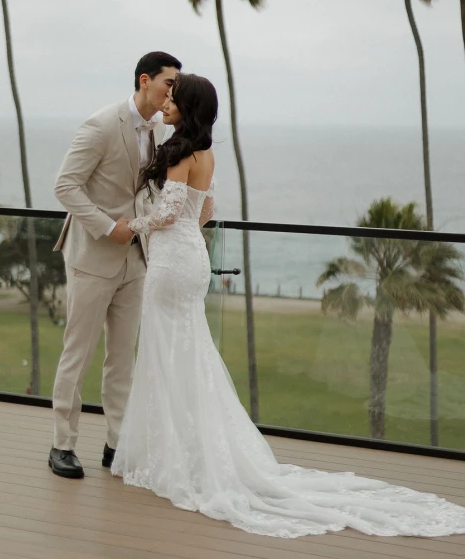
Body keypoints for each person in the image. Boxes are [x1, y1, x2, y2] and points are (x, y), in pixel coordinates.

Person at [112, 73, 465, 539]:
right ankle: (189, 451)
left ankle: (172, 456)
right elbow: (205, 212)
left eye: (174, 99)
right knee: (188, 354)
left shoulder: (179, 151)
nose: (167, 104)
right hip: (191, 258)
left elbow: (168, 214)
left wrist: (130, 225)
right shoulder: (205, 153)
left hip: (172, 264)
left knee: (165, 353)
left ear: (189, 106)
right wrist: (175, 235)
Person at [49, 51, 181, 479]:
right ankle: (62, 446)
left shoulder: (160, 131)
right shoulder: (102, 125)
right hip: (91, 259)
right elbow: (65, 187)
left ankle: (115, 445)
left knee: (122, 359)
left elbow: (147, 190)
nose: (171, 92)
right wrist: (108, 227)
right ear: (146, 81)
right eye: (168, 83)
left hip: (136, 260)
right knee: (78, 354)